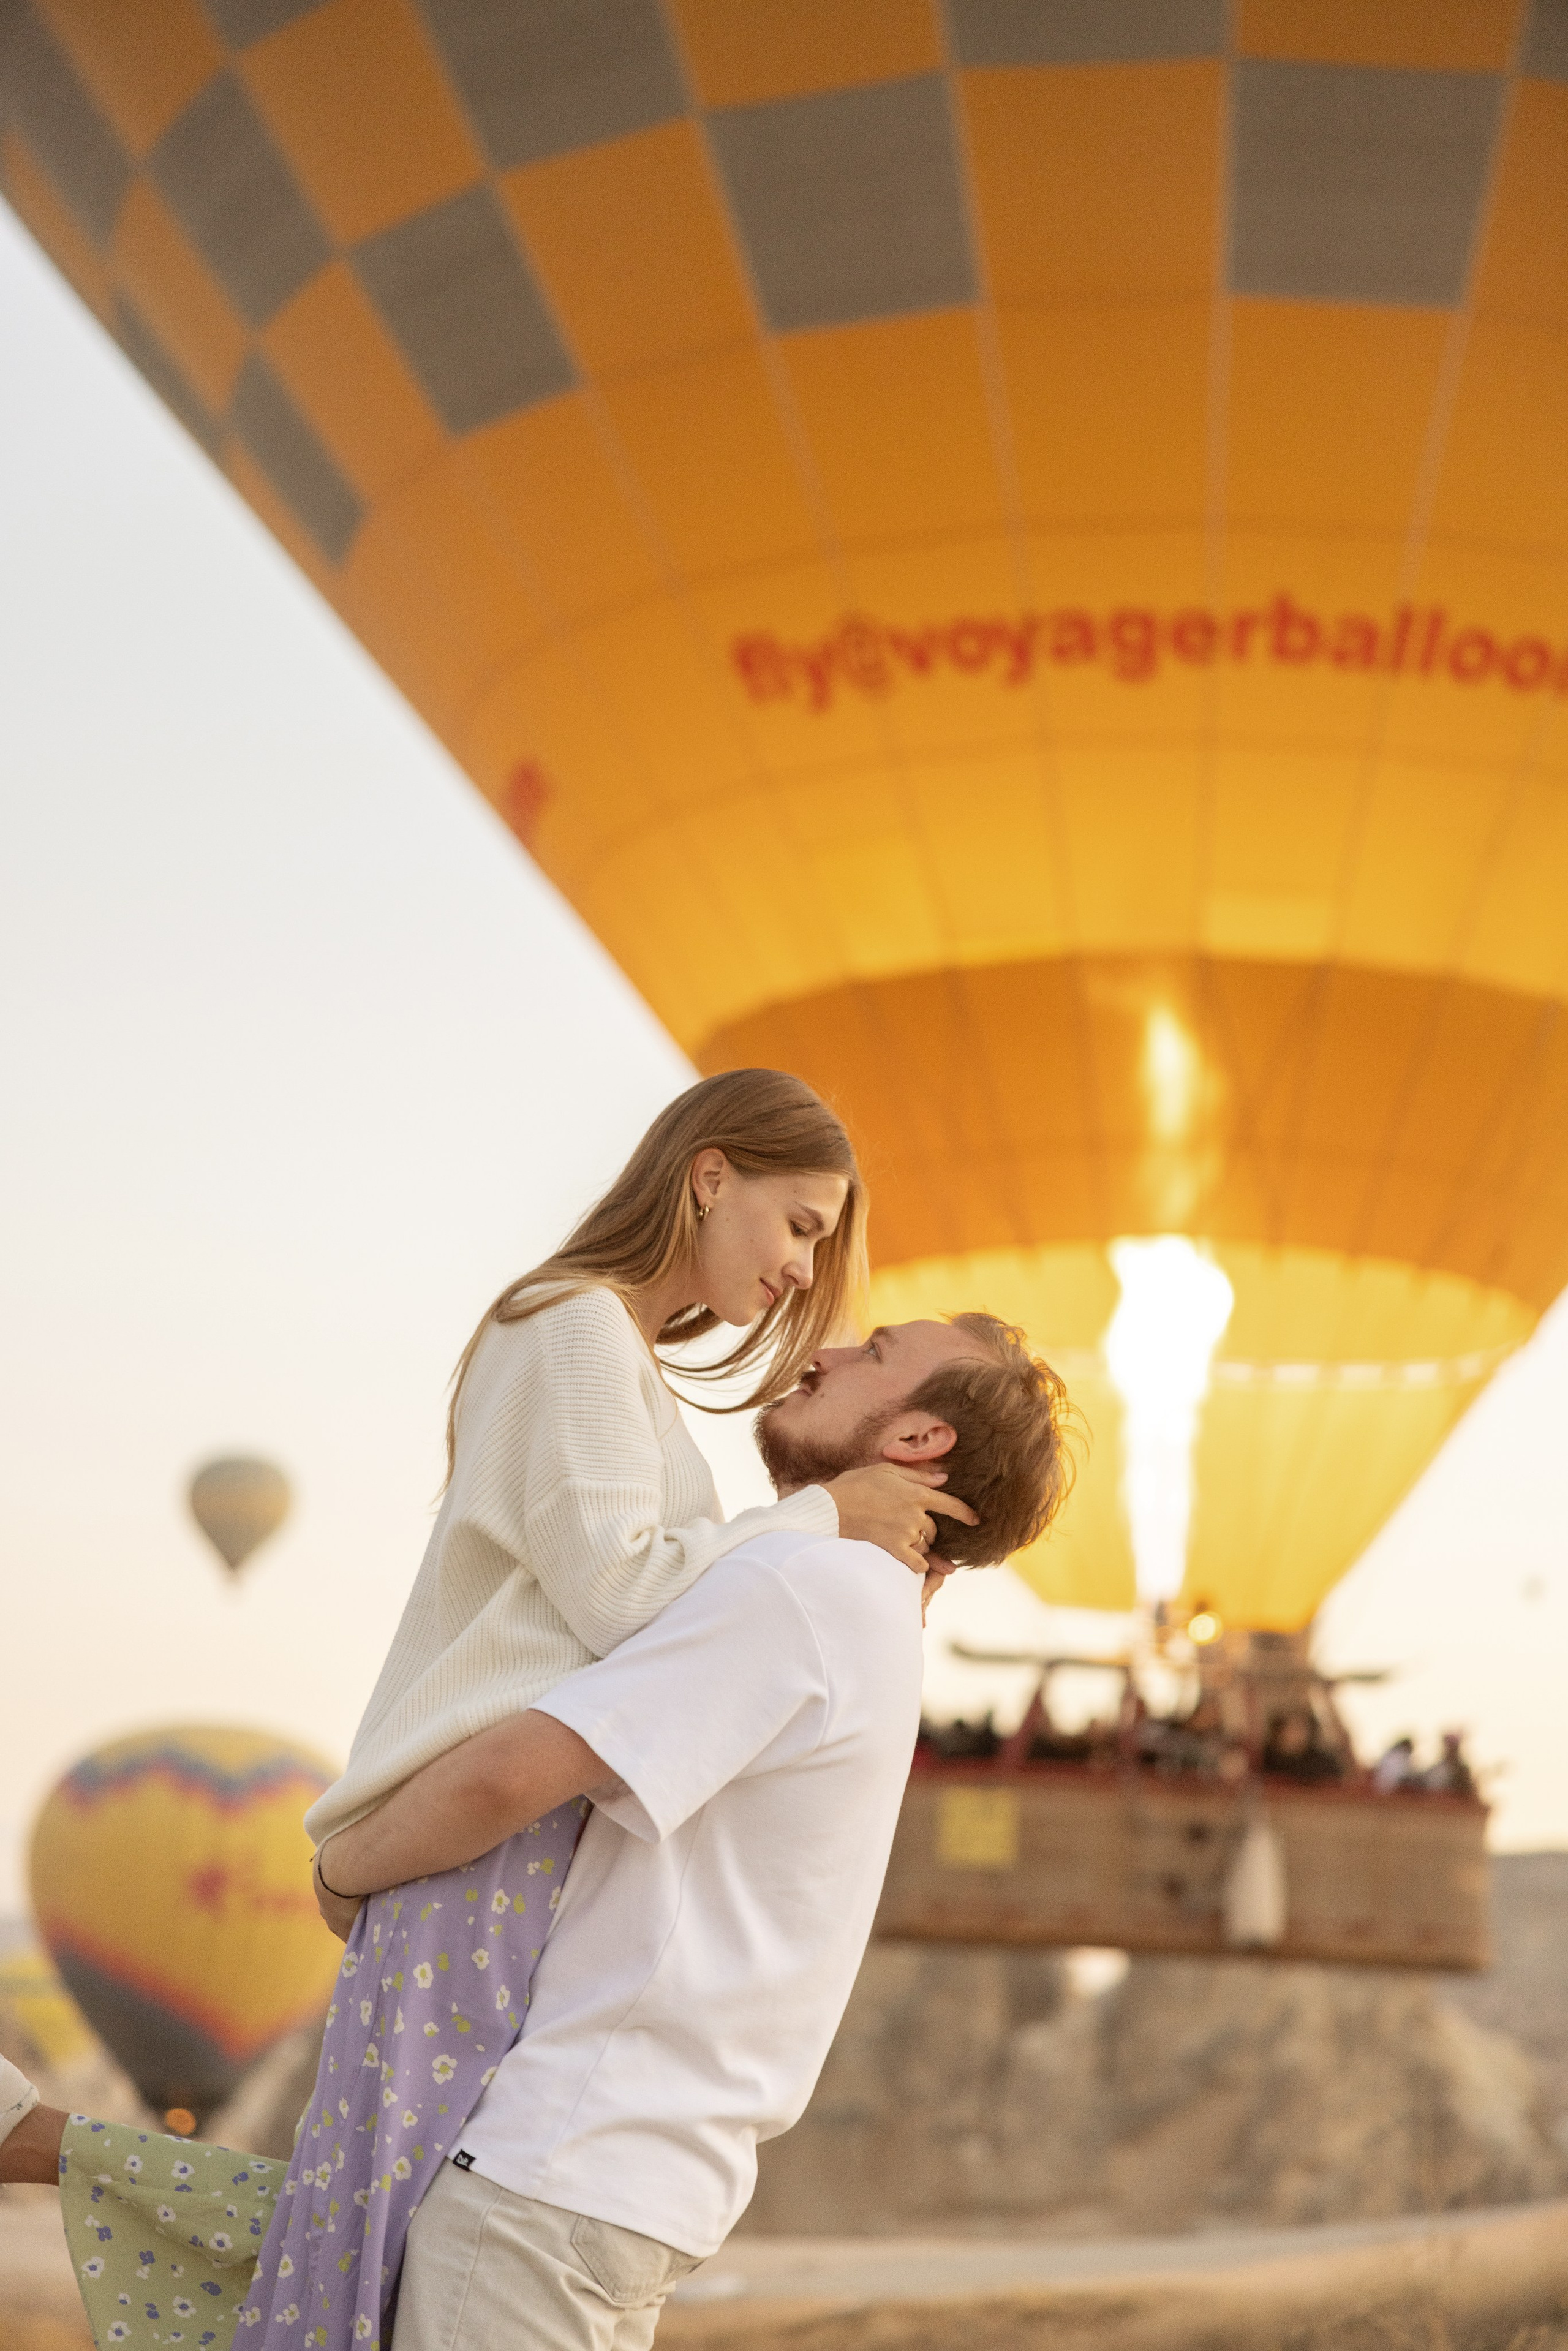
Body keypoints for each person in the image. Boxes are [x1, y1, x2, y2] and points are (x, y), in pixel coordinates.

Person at [1, 1069, 979, 2351]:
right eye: (799, 1223)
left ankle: (35, 2139)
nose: (805, 1275)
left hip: (502, 1858)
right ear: (708, 1174)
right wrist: (815, 1516)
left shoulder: (616, 1360)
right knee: (367, 2224)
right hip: (479, 1844)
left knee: (363, 2220)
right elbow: (628, 1597)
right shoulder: (570, 1323)